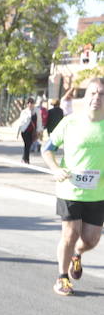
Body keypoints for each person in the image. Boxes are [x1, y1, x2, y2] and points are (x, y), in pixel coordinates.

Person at [42, 77, 104, 297]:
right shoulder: (70, 122)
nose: (97, 98)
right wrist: (55, 168)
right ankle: (62, 277)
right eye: (93, 93)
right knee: (70, 234)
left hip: (98, 193)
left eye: (101, 94)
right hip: (70, 188)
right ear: (85, 97)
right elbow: (47, 148)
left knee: (91, 239)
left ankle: (77, 254)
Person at [17, 97, 41, 164]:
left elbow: (39, 121)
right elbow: (21, 122)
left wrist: (39, 130)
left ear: (34, 104)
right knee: (27, 144)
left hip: (32, 132)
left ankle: (24, 158)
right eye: (29, 103)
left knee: (28, 145)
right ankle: (26, 159)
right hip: (24, 131)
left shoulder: (37, 111)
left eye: (32, 103)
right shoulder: (24, 112)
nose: (30, 104)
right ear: (27, 104)